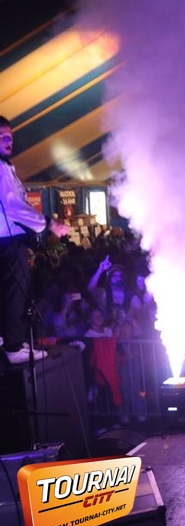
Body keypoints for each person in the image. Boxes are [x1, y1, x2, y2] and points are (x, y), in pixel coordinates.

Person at [1, 115, 71, 364]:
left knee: (7, 292)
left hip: (7, 241)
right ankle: (13, 346)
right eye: (2, 137)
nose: (8, 141)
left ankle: (6, 339)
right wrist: (49, 223)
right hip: (8, 242)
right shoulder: (1, 169)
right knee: (14, 292)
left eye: (9, 136)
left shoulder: (5, 167)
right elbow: (12, 205)